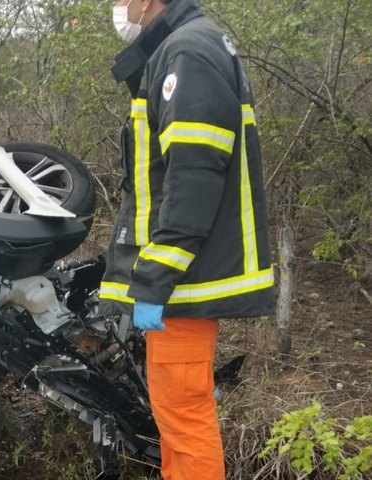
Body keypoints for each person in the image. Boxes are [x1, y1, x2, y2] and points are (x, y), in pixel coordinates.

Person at [99, 0, 275, 478]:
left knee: (184, 412)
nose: (117, 7)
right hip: (184, 277)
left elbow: (193, 178)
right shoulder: (183, 48)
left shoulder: (187, 52)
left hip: (185, 280)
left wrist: (155, 277)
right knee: (175, 413)